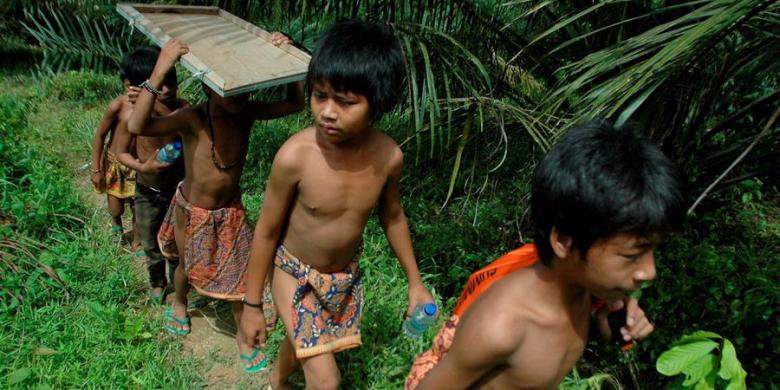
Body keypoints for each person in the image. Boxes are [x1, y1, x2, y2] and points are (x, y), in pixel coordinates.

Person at [405, 121, 685, 389]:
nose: (649, 272)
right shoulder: (500, 328)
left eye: (651, 251)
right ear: (564, 241)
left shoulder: (585, 291)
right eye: (631, 256)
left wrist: (615, 322)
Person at [239, 20, 435, 389]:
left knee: (307, 347)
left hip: (342, 278)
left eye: (346, 102)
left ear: (378, 102)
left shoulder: (388, 156)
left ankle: (277, 382)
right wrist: (252, 306)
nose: (328, 111)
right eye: (319, 96)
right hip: (292, 272)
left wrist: (415, 282)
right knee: (325, 377)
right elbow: (265, 232)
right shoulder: (296, 156)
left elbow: (392, 216)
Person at [126, 33, 305, 372]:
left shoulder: (247, 112)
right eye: (229, 89)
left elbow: (295, 104)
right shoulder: (193, 118)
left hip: (230, 212)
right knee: (185, 268)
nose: (238, 97)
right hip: (191, 211)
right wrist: (161, 68)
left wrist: (288, 56)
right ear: (208, 87)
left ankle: (243, 335)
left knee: (241, 277)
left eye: (243, 88)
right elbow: (138, 125)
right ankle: (180, 303)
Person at [114, 45, 189, 303]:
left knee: (178, 241)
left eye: (172, 82)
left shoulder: (184, 110)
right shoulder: (134, 116)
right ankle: (157, 280)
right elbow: (120, 151)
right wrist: (142, 167)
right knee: (149, 239)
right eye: (160, 85)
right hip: (148, 189)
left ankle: (178, 279)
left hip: (179, 189)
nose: (166, 90)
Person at [90, 49, 145, 247]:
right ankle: (116, 225)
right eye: (130, 85)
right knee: (116, 207)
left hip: (137, 164)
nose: (133, 91)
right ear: (124, 82)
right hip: (115, 163)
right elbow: (100, 136)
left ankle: (138, 240)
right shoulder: (117, 106)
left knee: (138, 205)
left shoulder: (150, 109)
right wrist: (96, 168)